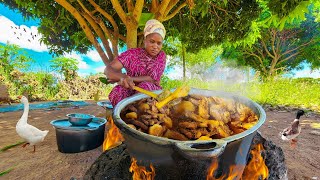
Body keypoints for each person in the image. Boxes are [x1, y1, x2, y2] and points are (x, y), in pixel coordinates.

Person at [104, 19, 167, 107]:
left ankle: (142, 116)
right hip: (130, 88)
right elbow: (108, 70)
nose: (155, 46)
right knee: (117, 91)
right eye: (152, 42)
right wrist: (122, 77)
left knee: (144, 87)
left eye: (159, 43)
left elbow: (151, 79)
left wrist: (129, 78)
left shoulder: (161, 56)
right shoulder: (132, 54)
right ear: (145, 40)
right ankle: (123, 116)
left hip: (151, 91)